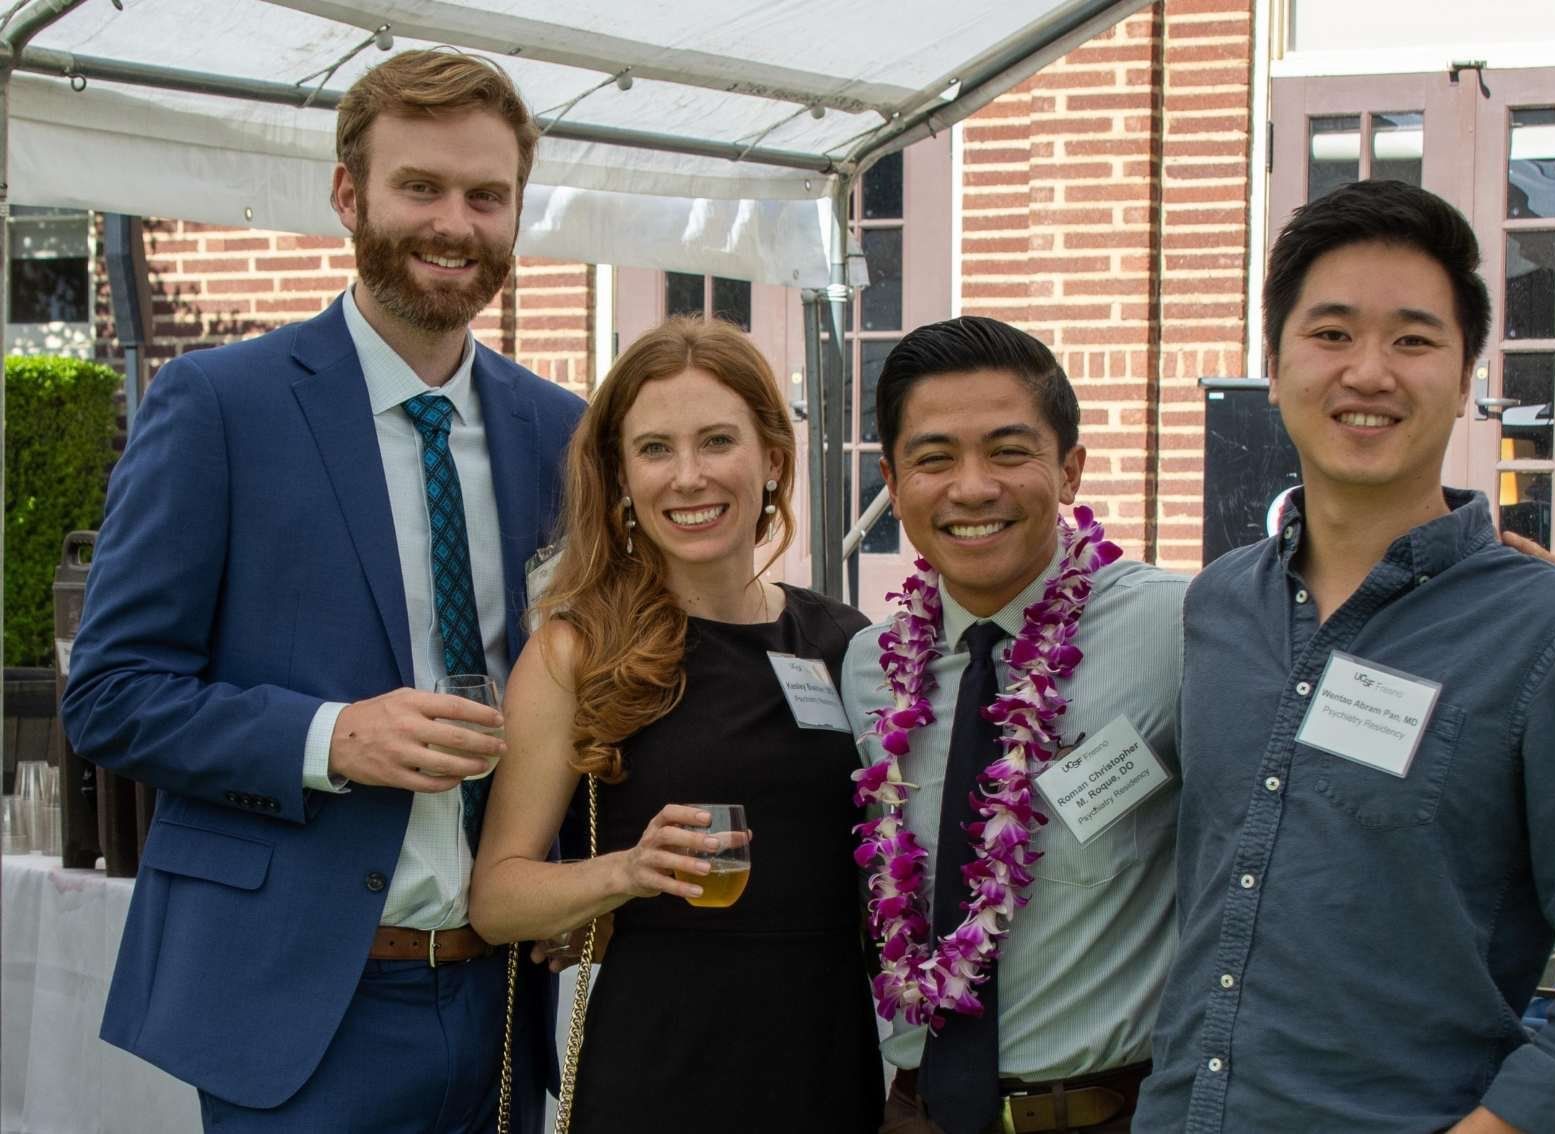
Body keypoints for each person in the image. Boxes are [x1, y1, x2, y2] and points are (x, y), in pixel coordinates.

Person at [61, 50, 585, 1132]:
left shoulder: (560, 431)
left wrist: (577, 869)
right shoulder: (217, 407)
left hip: (501, 999)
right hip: (299, 1008)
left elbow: (586, 684)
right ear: (349, 194)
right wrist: (329, 738)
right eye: (420, 187)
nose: (454, 224)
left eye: (486, 196)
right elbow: (109, 695)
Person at [1135, 179, 1555, 1133]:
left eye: (1413, 340)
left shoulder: (1551, 634)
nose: (1368, 373)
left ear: (1467, 374)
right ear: (1274, 364)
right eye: (1332, 333)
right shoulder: (1219, 607)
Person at [467, 316, 885, 1133]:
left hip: (826, 1063)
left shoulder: (845, 643)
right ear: (622, 478)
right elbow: (497, 898)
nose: (688, 477)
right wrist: (624, 873)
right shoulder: (576, 651)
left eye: (717, 441)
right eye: (655, 449)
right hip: (660, 1072)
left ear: (772, 458)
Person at [839, 316, 1187, 1134]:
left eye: (1007, 451)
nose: (971, 488)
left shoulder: (1179, 629)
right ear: (893, 481)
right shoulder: (868, 669)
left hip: (1105, 1114)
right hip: (915, 1114)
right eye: (933, 459)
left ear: (1070, 470)